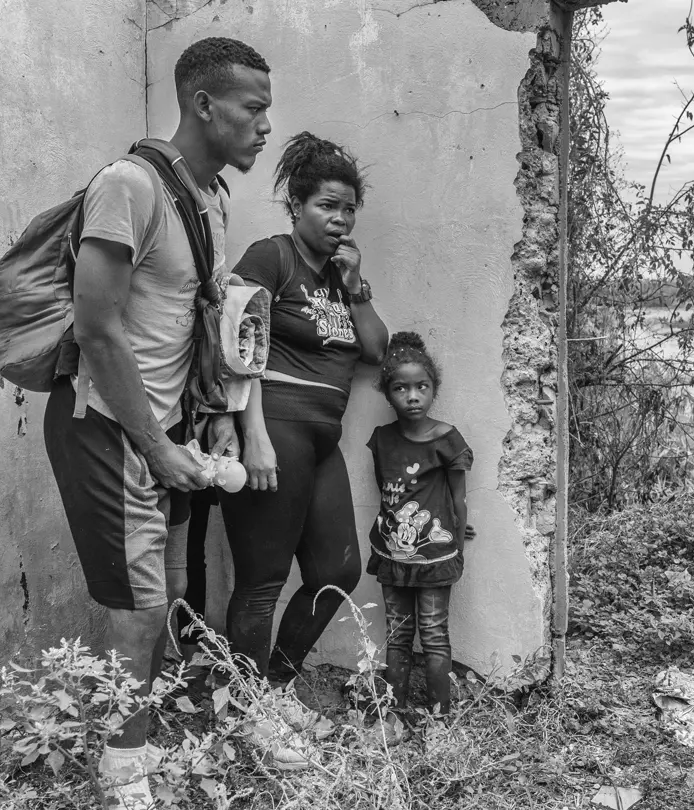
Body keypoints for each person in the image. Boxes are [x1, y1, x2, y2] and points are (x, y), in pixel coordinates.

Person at [41, 37, 271, 810]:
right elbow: (99, 328)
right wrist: (153, 445)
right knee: (140, 611)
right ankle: (124, 779)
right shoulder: (128, 186)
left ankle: (132, 739)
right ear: (204, 105)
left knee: (163, 590)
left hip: (165, 429)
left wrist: (218, 424)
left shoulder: (212, 201)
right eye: (253, 108)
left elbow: (196, 327)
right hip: (105, 424)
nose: (264, 126)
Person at [220, 132, 389, 683]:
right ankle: (246, 710)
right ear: (296, 205)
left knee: (338, 569)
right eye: (326, 206)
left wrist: (356, 285)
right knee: (263, 579)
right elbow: (235, 342)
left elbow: (376, 350)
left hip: (321, 439)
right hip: (276, 428)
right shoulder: (273, 256)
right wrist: (254, 434)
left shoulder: (341, 279)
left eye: (348, 209)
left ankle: (272, 686)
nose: (340, 219)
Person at [365, 332, 475, 714]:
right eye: (401, 388)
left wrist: (457, 542)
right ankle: (392, 714)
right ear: (387, 393)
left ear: (433, 389)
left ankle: (438, 717)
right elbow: (387, 491)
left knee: (433, 634)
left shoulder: (447, 439)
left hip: (433, 559)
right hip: (392, 553)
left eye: (421, 387)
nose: (412, 396)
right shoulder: (381, 439)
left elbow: (459, 500)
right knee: (397, 634)